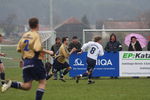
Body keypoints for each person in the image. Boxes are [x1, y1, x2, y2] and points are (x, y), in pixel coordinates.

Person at [1, 18, 53, 100]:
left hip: (26, 62)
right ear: (37, 25)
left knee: (27, 86)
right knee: (42, 82)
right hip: (35, 61)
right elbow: (37, 48)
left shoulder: (24, 35)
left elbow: (18, 49)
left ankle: (11, 84)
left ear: (29, 25)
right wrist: (48, 52)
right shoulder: (36, 35)